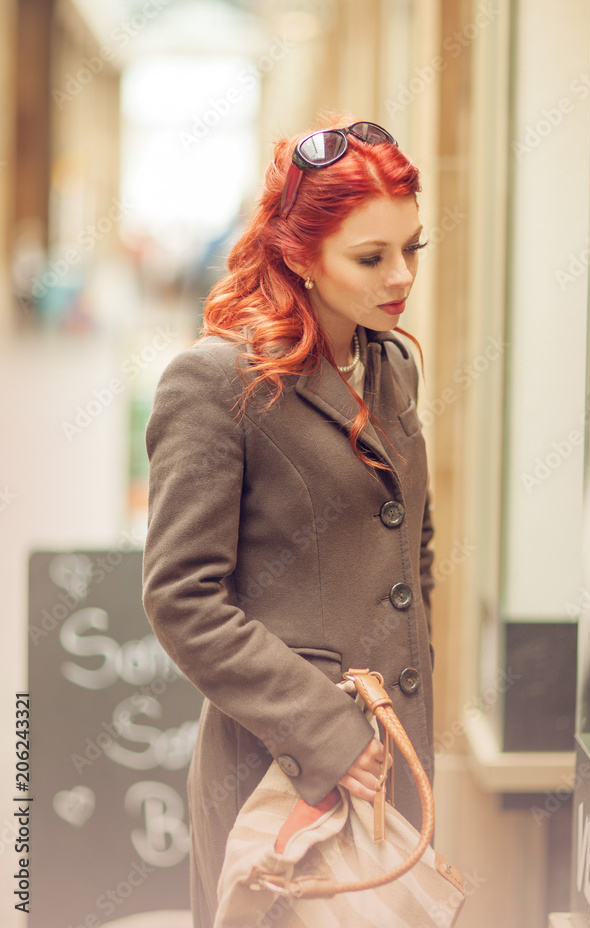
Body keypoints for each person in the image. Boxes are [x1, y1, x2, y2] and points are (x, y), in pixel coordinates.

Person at [142, 115, 436, 928]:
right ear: (299, 254)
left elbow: (413, 546)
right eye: (371, 257)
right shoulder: (215, 382)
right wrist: (329, 735)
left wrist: (403, 712)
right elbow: (182, 599)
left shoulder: (389, 362)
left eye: (412, 248)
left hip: (394, 758)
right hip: (282, 772)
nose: (399, 276)